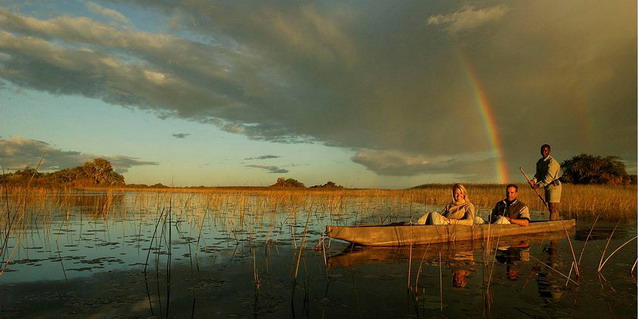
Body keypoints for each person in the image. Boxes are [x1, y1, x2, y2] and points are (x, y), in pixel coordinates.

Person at [531, 144, 562, 220]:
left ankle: (554, 223)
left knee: (552, 206)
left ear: (549, 151)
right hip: (547, 186)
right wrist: (533, 181)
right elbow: (538, 174)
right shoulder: (539, 162)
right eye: (542, 151)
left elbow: (549, 178)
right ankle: (555, 221)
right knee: (550, 206)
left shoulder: (552, 163)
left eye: (545, 150)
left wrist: (538, 185)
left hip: (554, 186)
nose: (544, 152)